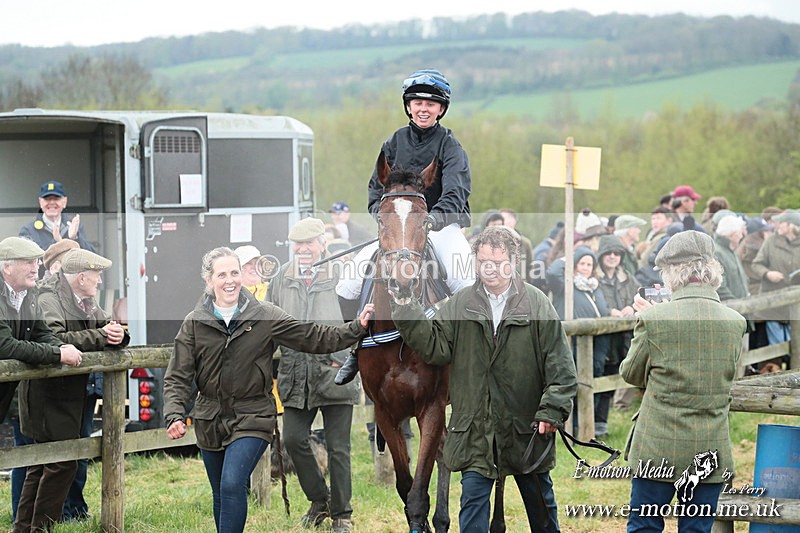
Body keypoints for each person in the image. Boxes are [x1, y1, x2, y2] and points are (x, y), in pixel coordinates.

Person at [163, 246, 373, 533]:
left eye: (235, 273)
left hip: (253, 414)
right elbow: (177, 375)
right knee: (220, 493)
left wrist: (355, 328)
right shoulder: (194, 323)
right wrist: (175, 414)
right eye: (222, 274)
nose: (230, 280)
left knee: (232, 483)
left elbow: (311, 336)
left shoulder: (265, 315)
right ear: (209, 281)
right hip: (210, 417)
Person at [390, 226, 577, 532]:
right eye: (484, 262)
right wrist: (404, 303)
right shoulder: (460, 303)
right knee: (473, 511)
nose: (491, 269)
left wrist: (552, 411)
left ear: (513, 262)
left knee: (542, 513)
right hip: (476, 433)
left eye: (499, 262)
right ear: (475, 262)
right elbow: (435, 347)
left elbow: (561, 367)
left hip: (526, 429)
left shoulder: (536, 303)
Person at [335, 68, 474, 385]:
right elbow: (374, 192)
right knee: (347, 282)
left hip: (441, 227)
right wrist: (385, 220)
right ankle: (356, 349)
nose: (424, 108)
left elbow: (456, 193)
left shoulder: (451, 147)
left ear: (441, 109)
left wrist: (430, 220)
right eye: (417, 102)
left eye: (431, 104)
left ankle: (473, 355)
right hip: (397, 229)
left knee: (465, 283)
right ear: (409, 106)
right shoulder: (393, 143)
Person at [620, 231, 746, 533]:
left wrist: (647, 324)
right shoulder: (735, 321)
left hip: (657, 444)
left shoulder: (654, 319)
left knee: (645, 526)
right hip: (710, 445)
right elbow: (727, 375)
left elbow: (631, 374)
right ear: (711, 271)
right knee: (697, 529)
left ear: (673, 274)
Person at [16, 249, 129, 531]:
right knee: (57, 463)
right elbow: (54, 339)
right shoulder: (48, 298)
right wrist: (102, 336)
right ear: (81, 277)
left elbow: (107, 327)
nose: (100, 281)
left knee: (46, 463)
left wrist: (119, 335)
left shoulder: (86, 300)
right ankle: (39, 527)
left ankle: (25, 528)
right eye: (97, 275)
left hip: (66, 395)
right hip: (47, 395)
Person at [267, 218, 359, 533]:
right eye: (298, 244)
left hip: (336, 371)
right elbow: (269, 322)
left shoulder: (343, 275)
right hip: (295, 374)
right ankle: (320, 500)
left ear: (322, 243)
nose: (304, 250)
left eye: (309, 243)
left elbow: (360, 322)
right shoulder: (281, 278)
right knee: (292, 439)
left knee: (338, 447)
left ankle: (342, 515)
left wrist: (343, 358)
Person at [594, 235, 637, 437]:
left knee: (610, 382)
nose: (613, 257)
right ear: (601, 255)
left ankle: (601, 426)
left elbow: (639, 296)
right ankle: (587, 426)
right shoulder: (593, 278)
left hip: (621, 339)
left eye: (617, 253)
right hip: (599, 340)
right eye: (609, 253)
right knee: (595, 381)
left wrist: (632, 306)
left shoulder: (627, 277)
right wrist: (609, 311)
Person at [751, 208, 800, 353]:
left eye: (781, 223)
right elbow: (756, 264)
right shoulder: (771, 241)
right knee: (777, 350)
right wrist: (768, 273)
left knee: (796, 348)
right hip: (773, 303)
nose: (777, 225)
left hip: (796, 304)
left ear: (791, 225)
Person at [18, 181, 96, 270]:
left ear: (64, 202)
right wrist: (57, 243)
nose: (51, 202)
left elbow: (92, 260)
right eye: (47, 199)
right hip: (41, 283)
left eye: (56, 199)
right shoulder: (28, 231)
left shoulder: (74, 227)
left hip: (68, 283)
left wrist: (75, 238)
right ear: (40, 202)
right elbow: (25, 263)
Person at [713, 215, 749, 301]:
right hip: (732, 310)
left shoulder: (730, 250)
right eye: (740, 233)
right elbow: (720, 287)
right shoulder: (717, 253)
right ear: (733, 235)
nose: (741, 236)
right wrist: (738, 305)